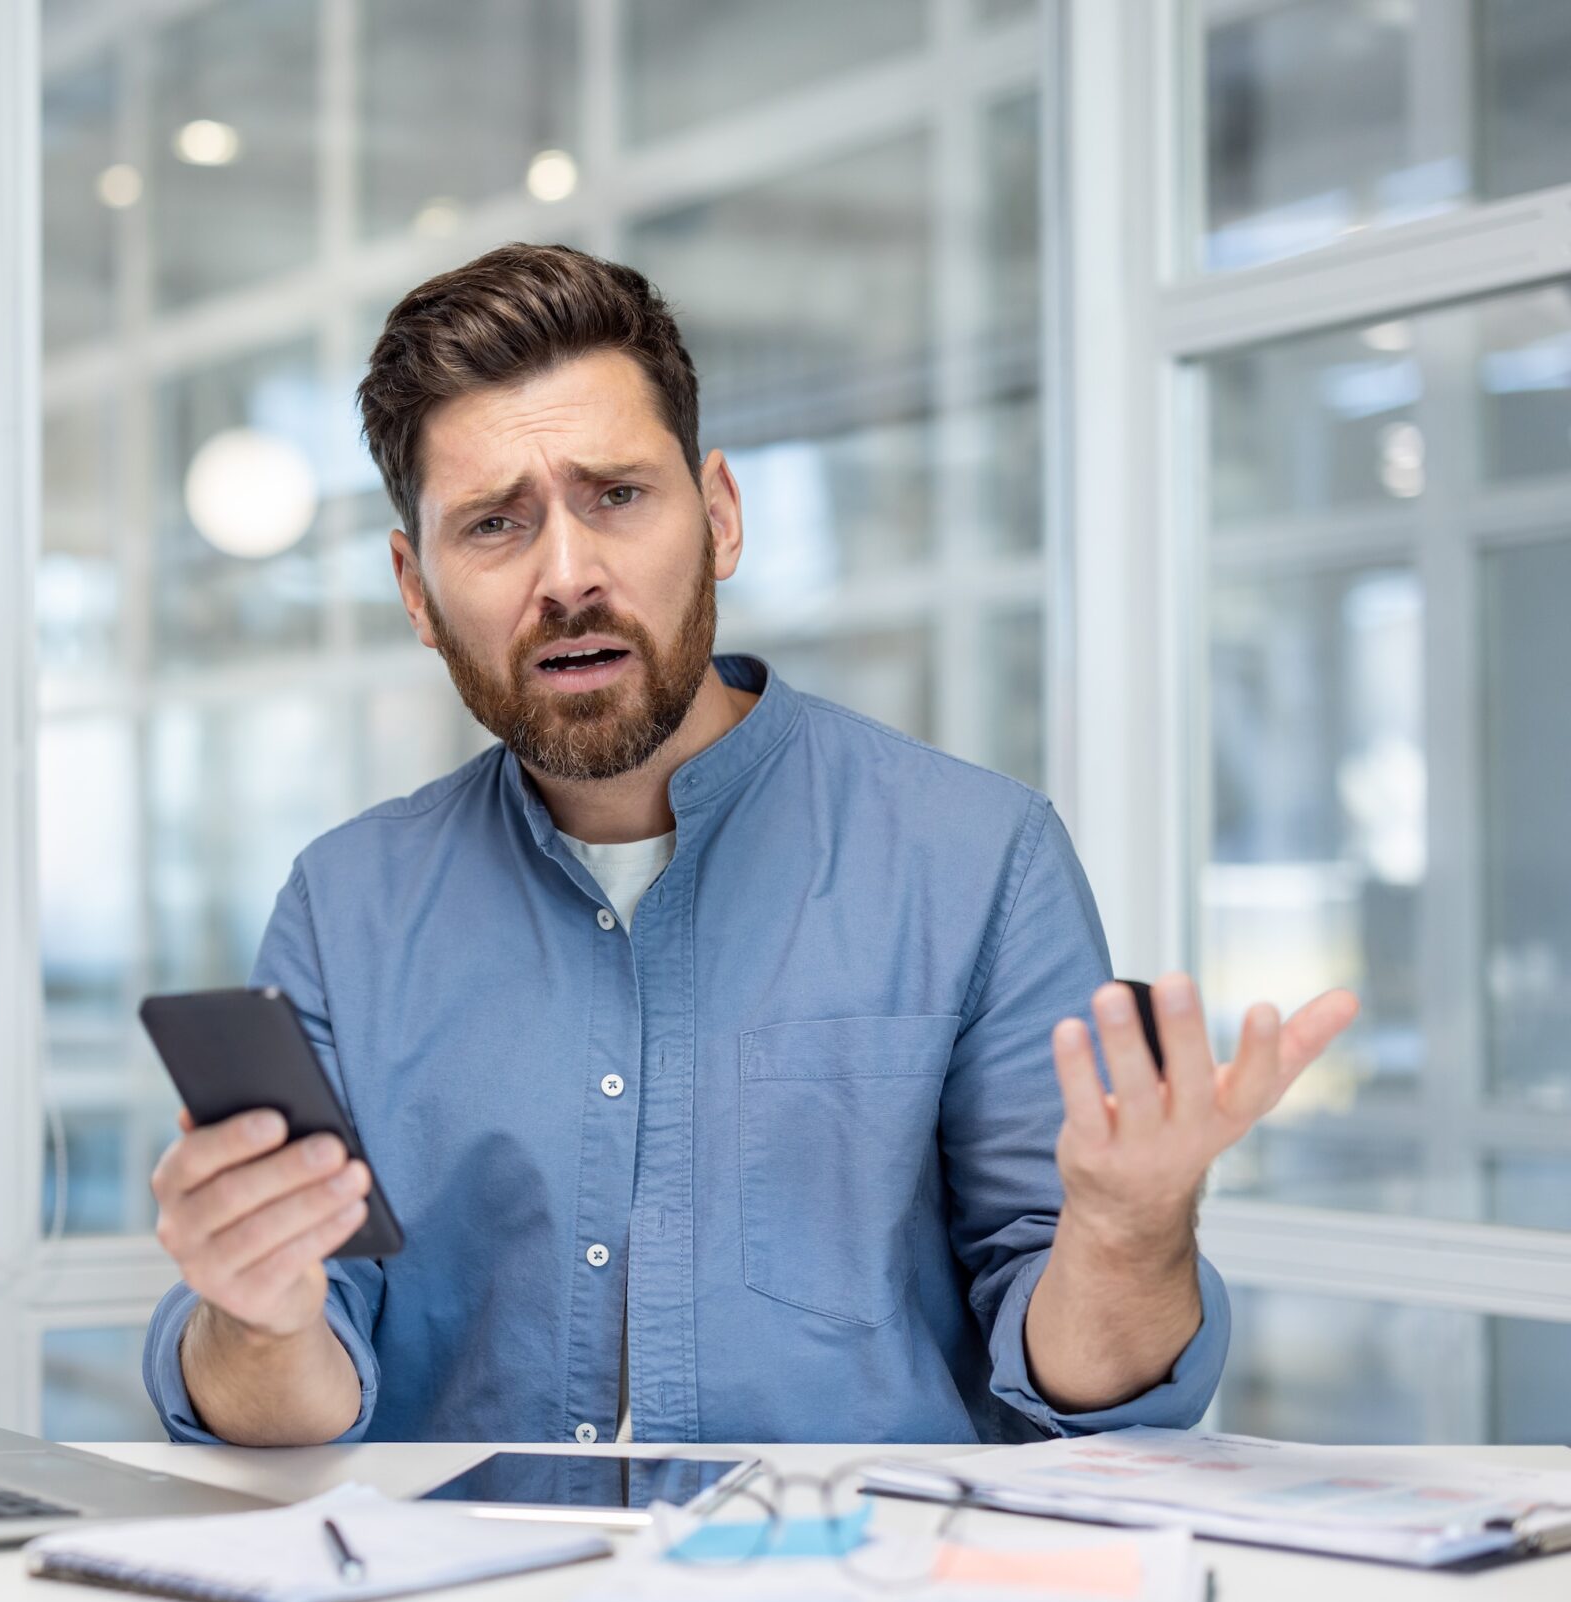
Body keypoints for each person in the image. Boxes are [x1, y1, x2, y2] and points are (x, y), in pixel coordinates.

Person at [140, 243, 1357, 1448]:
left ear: (718, 515)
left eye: (615, 497)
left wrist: (1128, 1230)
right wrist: (253, 1319)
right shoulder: (344, 905)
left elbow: (1092, 1384)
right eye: (495, 525)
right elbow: (293, 1403)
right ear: (415, 590)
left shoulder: (979, 860)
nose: (568, 576)